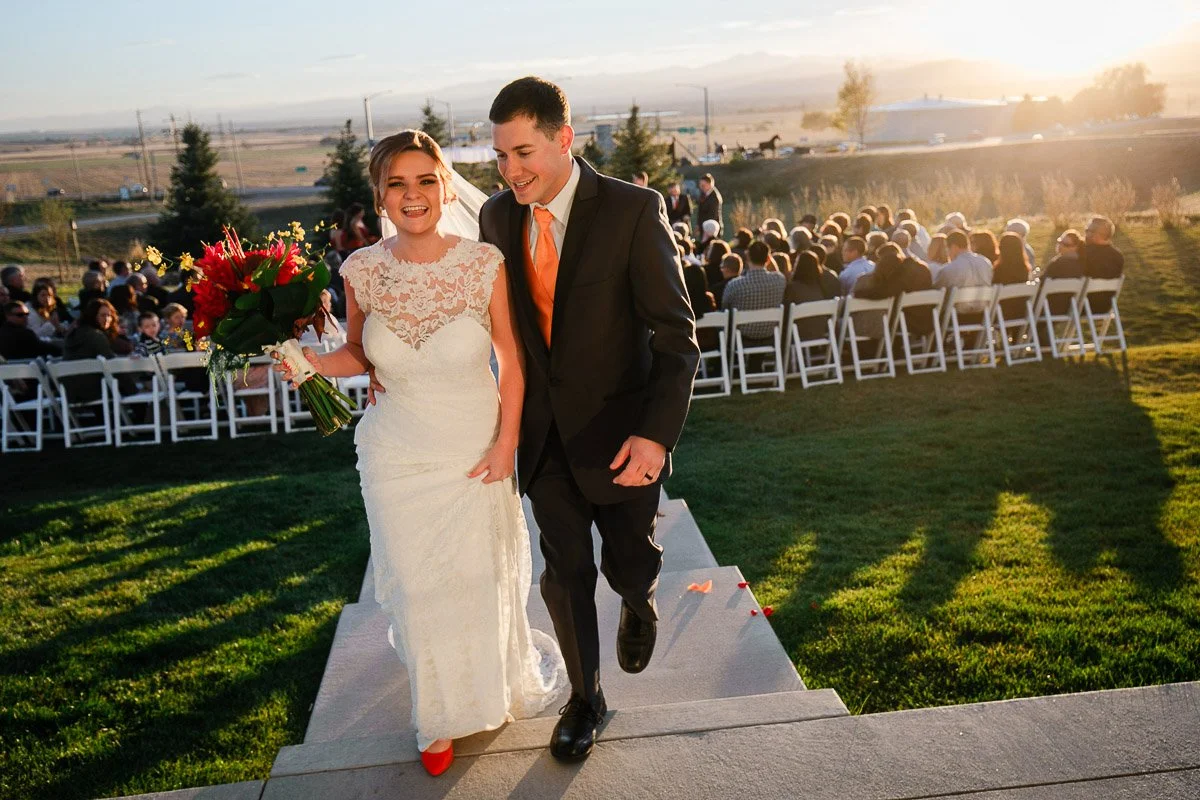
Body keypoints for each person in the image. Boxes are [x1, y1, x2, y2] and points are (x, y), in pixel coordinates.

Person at [276, 128, 571, 777]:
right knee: (416, 587)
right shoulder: (361, 271)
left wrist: (506, 444)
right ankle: (434, 715)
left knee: (473, 579)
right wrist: (309, 363)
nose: (413, 195)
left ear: (443, 185)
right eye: (397, 183)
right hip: (395, 452)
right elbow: (359, 352)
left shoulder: (481, 264)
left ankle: (480, 693)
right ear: (380, 194)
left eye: (425, 180)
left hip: (473, 447)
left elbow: (513, 362)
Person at [480, 77, 699, 764]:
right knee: (564, 568)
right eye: (500, 157)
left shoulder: (634, 210)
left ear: (563, 140)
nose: (510, 171)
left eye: (523, 153)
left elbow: (676, 336)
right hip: (544, 437)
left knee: (624, 562)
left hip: (622, 435)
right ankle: (586, 698)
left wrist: (656, 436)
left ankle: (639, 596)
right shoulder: (495, 218)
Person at [721, 240, 786, 342]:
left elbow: (725, 308)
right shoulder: (780, 280)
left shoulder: (735, 285)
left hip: (742, 335)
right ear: (768, 259)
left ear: (747, 257)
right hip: (769, 333)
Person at [1082, 215, 1124, 312]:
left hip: (1083, 305)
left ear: (1100, 234)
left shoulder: (1085, 253)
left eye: (1089, 231)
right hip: (1106, 307)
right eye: (1086, 230)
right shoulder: (1118, 256)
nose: (1086, 234)